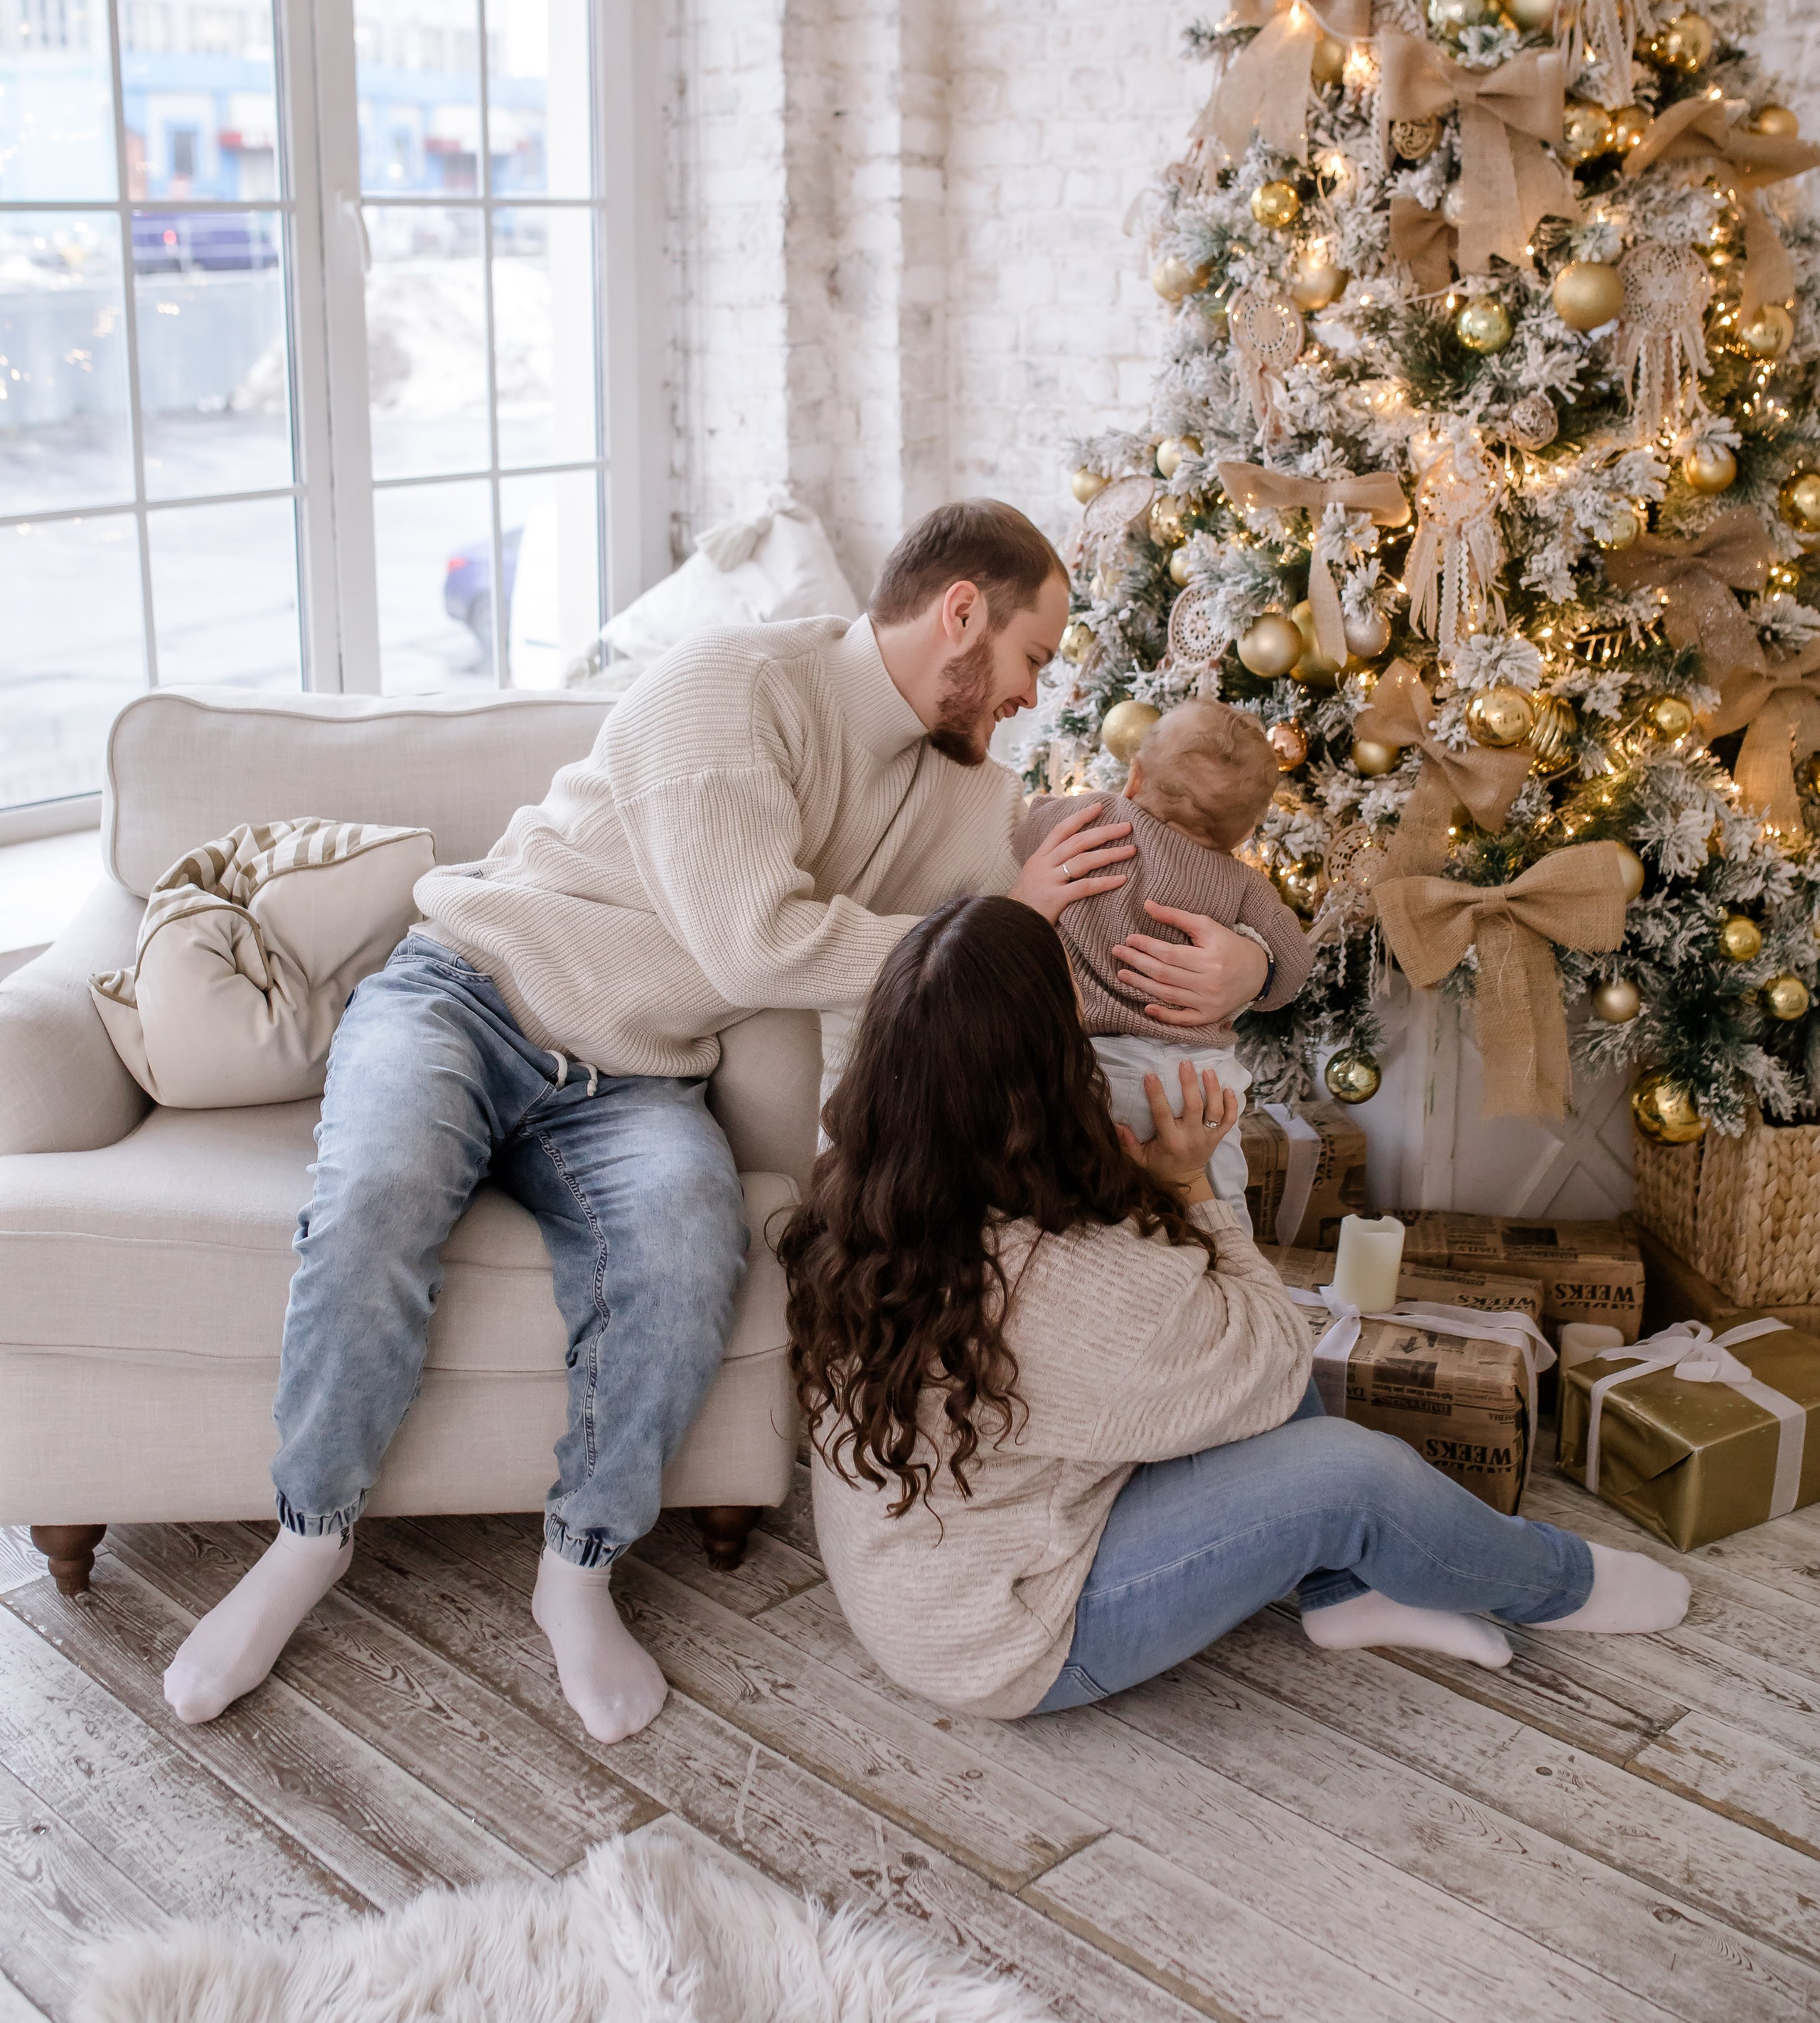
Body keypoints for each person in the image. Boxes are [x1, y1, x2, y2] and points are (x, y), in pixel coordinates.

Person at [163, 503, 1270, 1743]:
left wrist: (1248, 974)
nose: (1035, 693)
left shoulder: (964, 798)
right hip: (472, 990)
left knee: (695, 1242)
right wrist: (986, 923)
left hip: (636, 1074)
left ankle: (575, 1569)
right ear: (962, 612)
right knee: (376, 1192)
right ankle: (308, 1538)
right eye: (1032, 657)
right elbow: (755, 943)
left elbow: (1077, 952)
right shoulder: (731, 686)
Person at [783, 894, 1691, 1722]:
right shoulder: (1056, 1277)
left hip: (931, 1575)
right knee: (1351, 1473)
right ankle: (1556, 1583)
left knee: (1225, 1361)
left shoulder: (863, 1185)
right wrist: (1192, 1192)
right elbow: (1275, 1355)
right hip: (1013, 1636)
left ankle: (1348, 1594)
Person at [1017, 696, 1311, 1208]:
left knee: (1086, 1205)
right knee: (1217, 1208)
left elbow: (1025, 831)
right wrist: (1261, 970)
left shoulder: (1093, 820)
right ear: (1244, 833)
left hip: (1087, 1067)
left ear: (1133, 778)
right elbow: (1295, 963)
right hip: (1198, 1083)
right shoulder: (1242, 884)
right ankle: (1233, 1273)